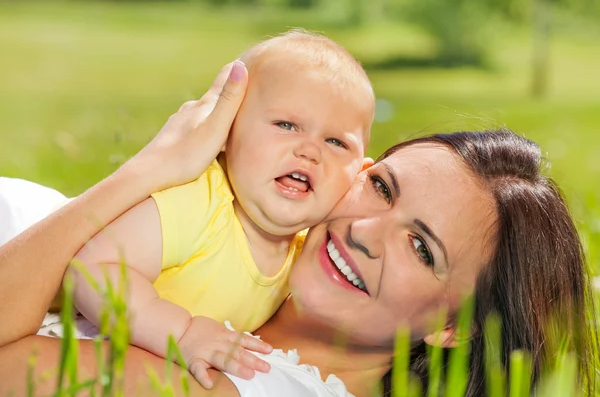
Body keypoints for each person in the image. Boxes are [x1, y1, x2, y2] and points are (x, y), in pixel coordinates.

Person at [0, 63, 596, 397]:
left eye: (421, 247)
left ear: (450, 328)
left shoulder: (259, 386)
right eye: (382, 187)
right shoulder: (242, 251)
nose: (364, 229)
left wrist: (145, 171)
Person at [30, 30, 374, 388]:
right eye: (286, 125)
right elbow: (93, 270)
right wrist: (182, 333)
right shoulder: (201, 202)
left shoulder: (307, 255)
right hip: (58, 330)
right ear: (225, 131)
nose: (310, 150)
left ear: (360, 174)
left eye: (335, 142)